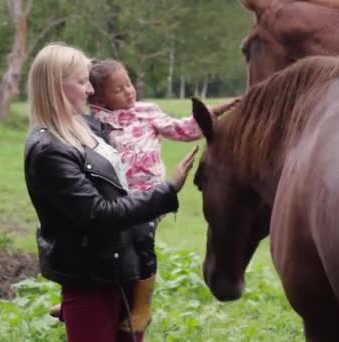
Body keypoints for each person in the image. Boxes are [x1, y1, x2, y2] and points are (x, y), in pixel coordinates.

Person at [24, 42, 198, 342]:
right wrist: (167, 190)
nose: (90, 90)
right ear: (55, 86)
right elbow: (98, 213)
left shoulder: (86, 126)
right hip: (91, 280)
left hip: (121, 268)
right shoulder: (48, 150)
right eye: (81, 82)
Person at [81, 58, 238, 333]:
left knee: (141, 243)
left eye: (128, 83)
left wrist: (212, 113)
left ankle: (142, 306)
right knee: (99, 244)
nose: (129, 91)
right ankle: (84, 299)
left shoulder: (147, 112)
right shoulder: (96, 120)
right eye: (119, 90)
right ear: (101, 98)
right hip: (113, 198)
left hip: (149, 198)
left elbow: (182, 129)